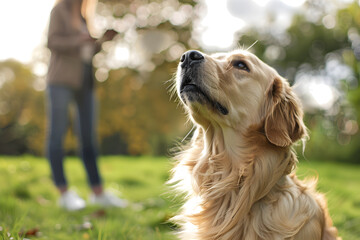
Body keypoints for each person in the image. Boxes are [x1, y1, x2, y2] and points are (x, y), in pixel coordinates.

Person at [46, 0, 125, 211]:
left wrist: (101, 41)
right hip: (61, 81)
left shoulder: (84, 15)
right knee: (57, 135)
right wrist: (79, 39)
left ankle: (98, 193)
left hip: (86, 82)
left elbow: (87, 51)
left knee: (88, 138)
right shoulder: (59, 10)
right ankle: (63, 193)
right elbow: (52, 42)